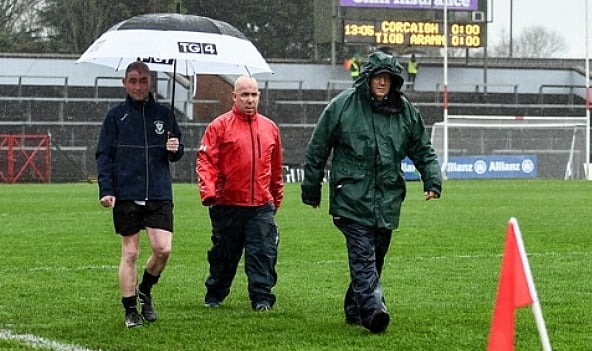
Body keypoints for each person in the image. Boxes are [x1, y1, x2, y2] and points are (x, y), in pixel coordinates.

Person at [301, 51, 442, 334]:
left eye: (387, 78)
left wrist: (432, 181)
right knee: (363, 256)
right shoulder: (342, 106)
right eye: (377, 77)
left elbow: (423, 150)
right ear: (367, 78)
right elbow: (318, 149)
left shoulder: (406, 112)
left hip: (387, 198)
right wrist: (311, 190)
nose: (381, 82)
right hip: (350, 198)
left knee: (375, 257)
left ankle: (354, 307)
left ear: (394, 81)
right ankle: (374, 310)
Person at [95, 61, 184, 329]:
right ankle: (130, 308)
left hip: (158, 190)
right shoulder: (115, 116)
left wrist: (174, 147)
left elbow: (177, 152)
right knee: (130, 252)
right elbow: (104, 155)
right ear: (125, 83)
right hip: (126, 192)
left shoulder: (164, 113)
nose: (137, 85)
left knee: (163, 249)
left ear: (150, 82)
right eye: (132, 80)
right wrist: (107, 189)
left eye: (142, 80)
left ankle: (145, 290)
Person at [196, 76, 284, 312]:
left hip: (261, 205)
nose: (250, 100)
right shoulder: (219, 127)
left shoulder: (270, 128)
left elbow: (275, 168)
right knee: (224, 254)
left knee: (263, 253)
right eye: (244, 95)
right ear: (234, 96)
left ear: (259, 97)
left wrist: (275, 198)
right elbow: (206, 161)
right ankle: (215, 292)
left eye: (254, 95)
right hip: (227, 204)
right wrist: (209, 192)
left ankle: (262, 298)